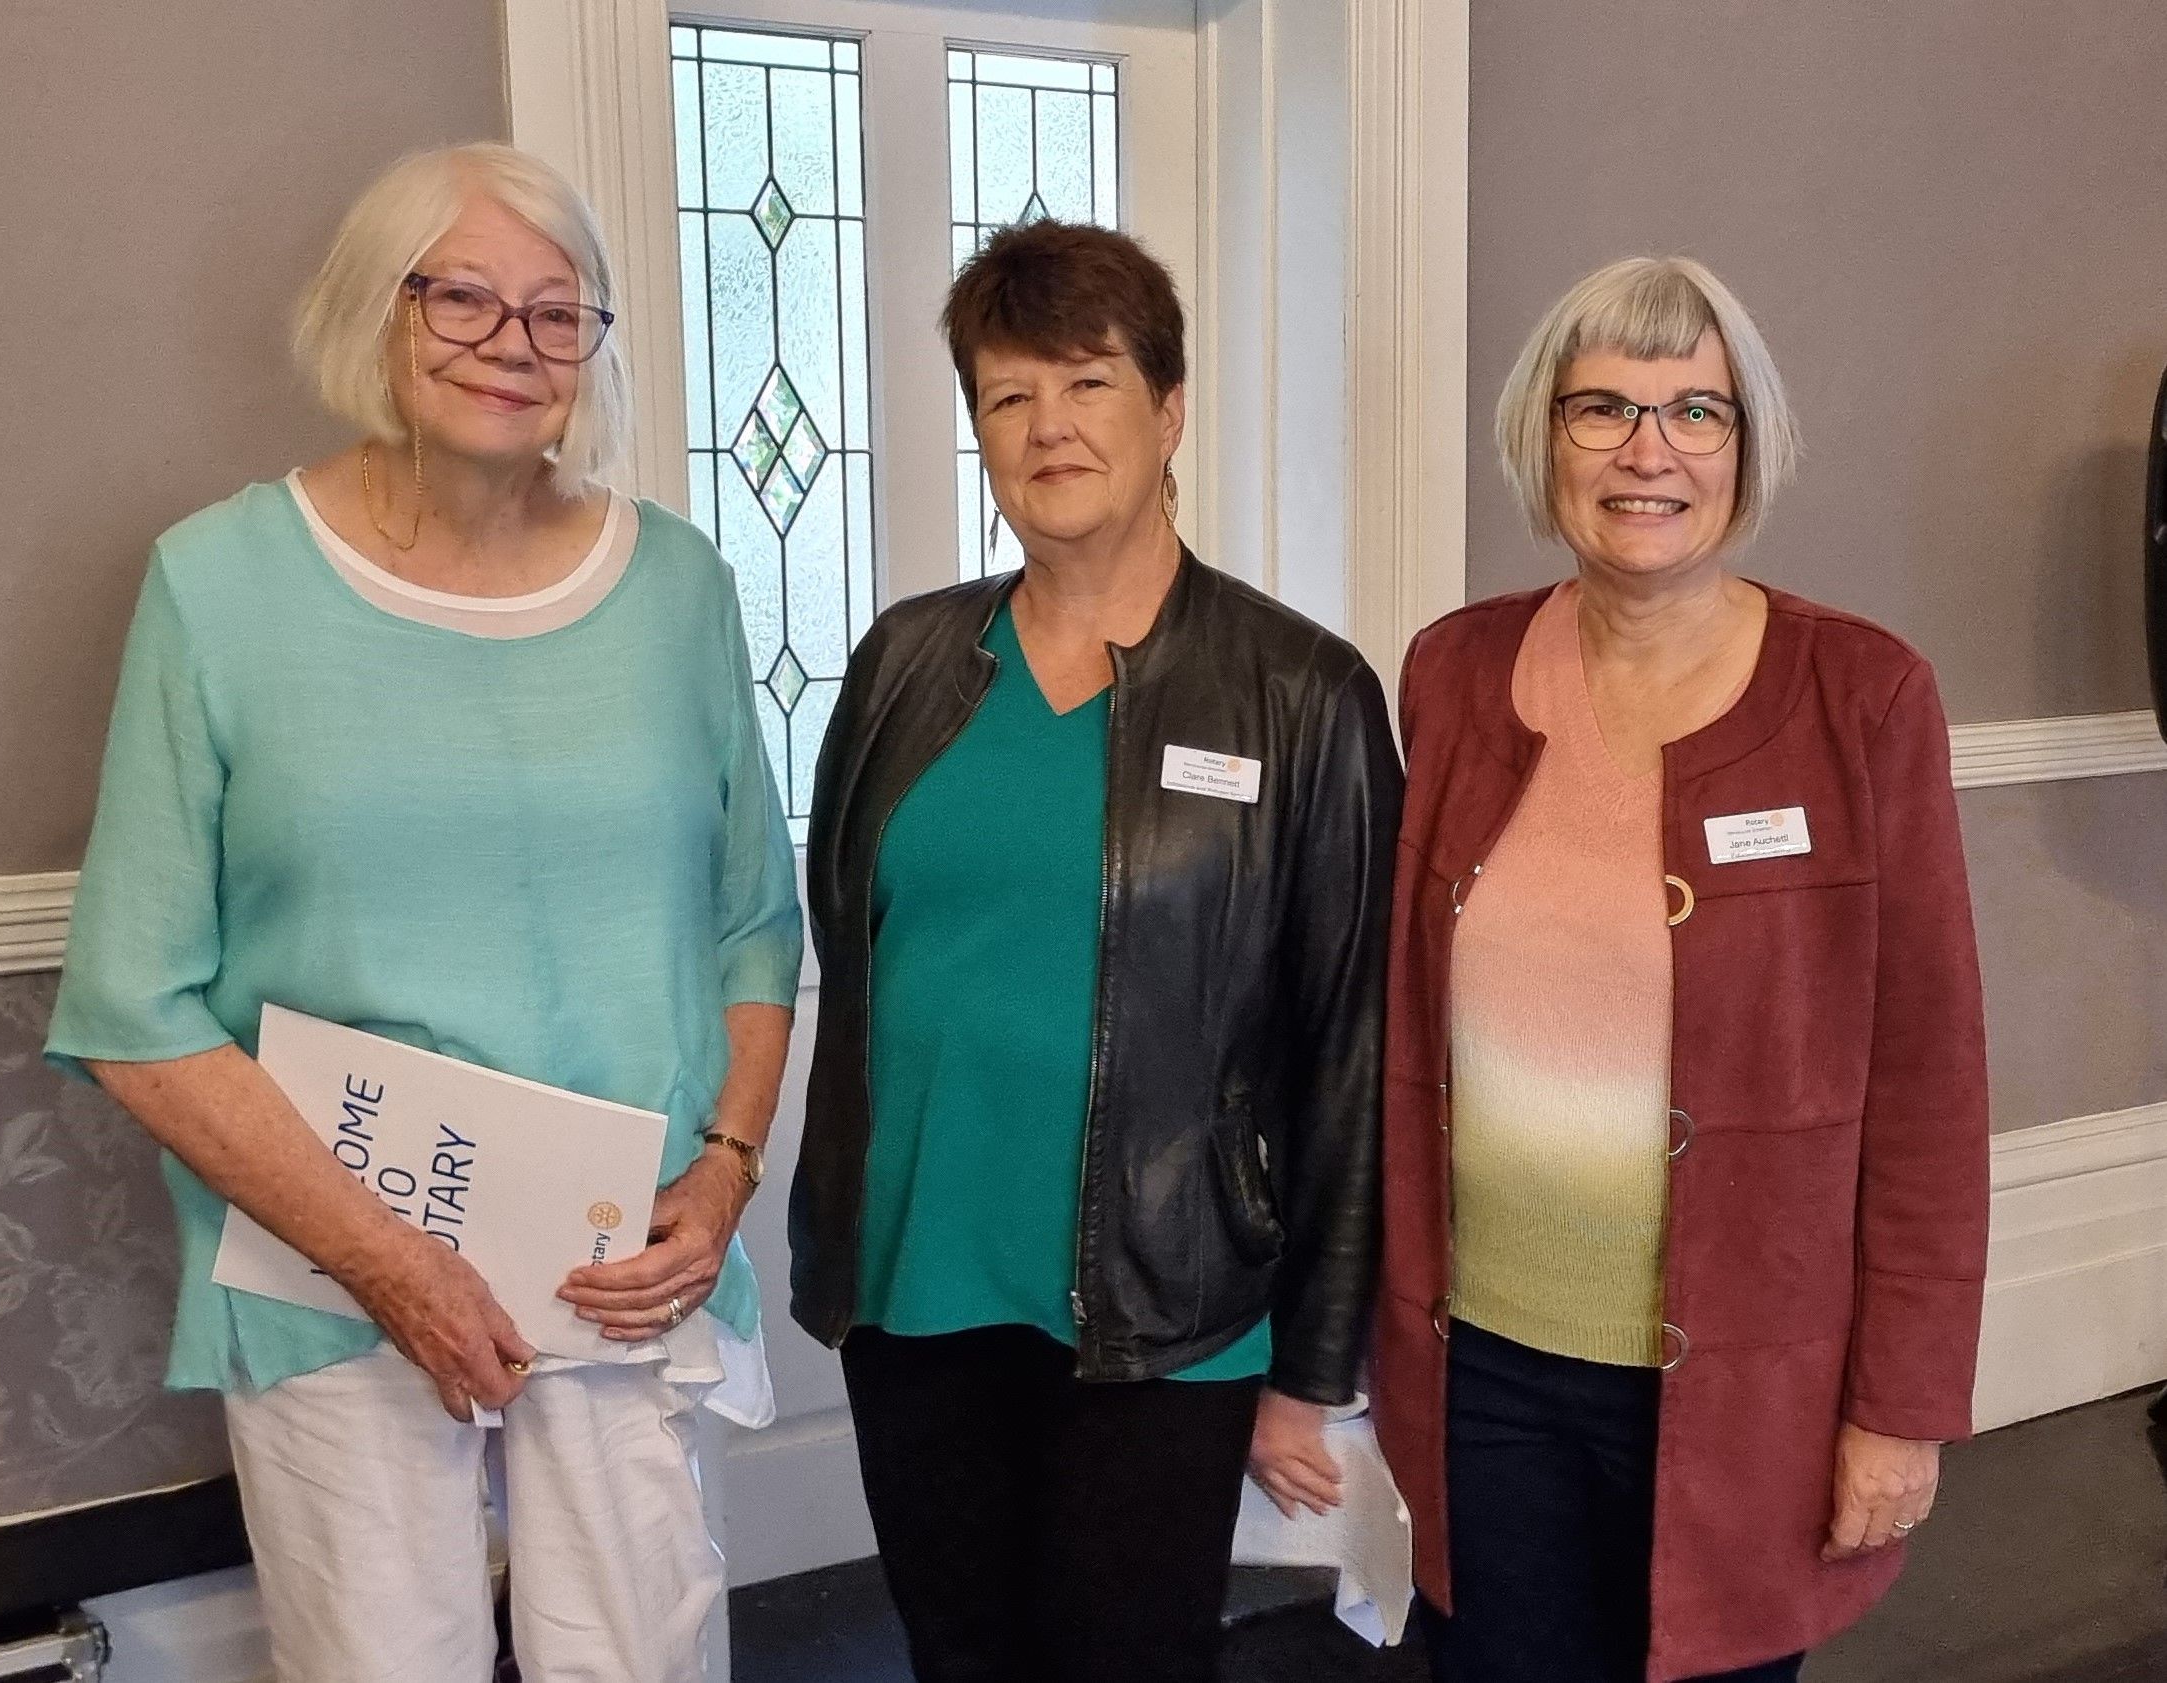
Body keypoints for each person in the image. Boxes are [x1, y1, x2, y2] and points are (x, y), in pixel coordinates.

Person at [44, 143, 802, 1683]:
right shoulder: (218, 586)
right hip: (334, 1274)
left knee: (644, 1661)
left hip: (618, 1270)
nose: (511, 344)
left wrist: (725, 1175)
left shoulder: (678, 589)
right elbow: (134, 1010)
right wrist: (391, 1262)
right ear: (374, 310)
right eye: (462, 298)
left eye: (556, 311)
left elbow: (755, 926)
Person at [790, 219, 1401, 1683]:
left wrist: (1312, 1369)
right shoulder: (905, 664)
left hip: (1163, 1305)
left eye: (1089, 382)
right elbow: (850, 946)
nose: (1048, 426)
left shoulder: (1300, 693)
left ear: (1168, 410)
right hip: (916, 1285)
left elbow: (1352, 1051)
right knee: (960, 1656)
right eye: (1009, 395)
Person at [1371, 256, 1991, 1683]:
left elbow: (1929, 1081)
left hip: (1748, 1387)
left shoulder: (1861, 694)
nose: (1647, 452)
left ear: (1745, 446)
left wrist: (1901, 1406)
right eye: (1602, 408)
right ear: (1545, 438)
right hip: (1485, 1367)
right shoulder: (1451, 674)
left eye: (1695, 412)